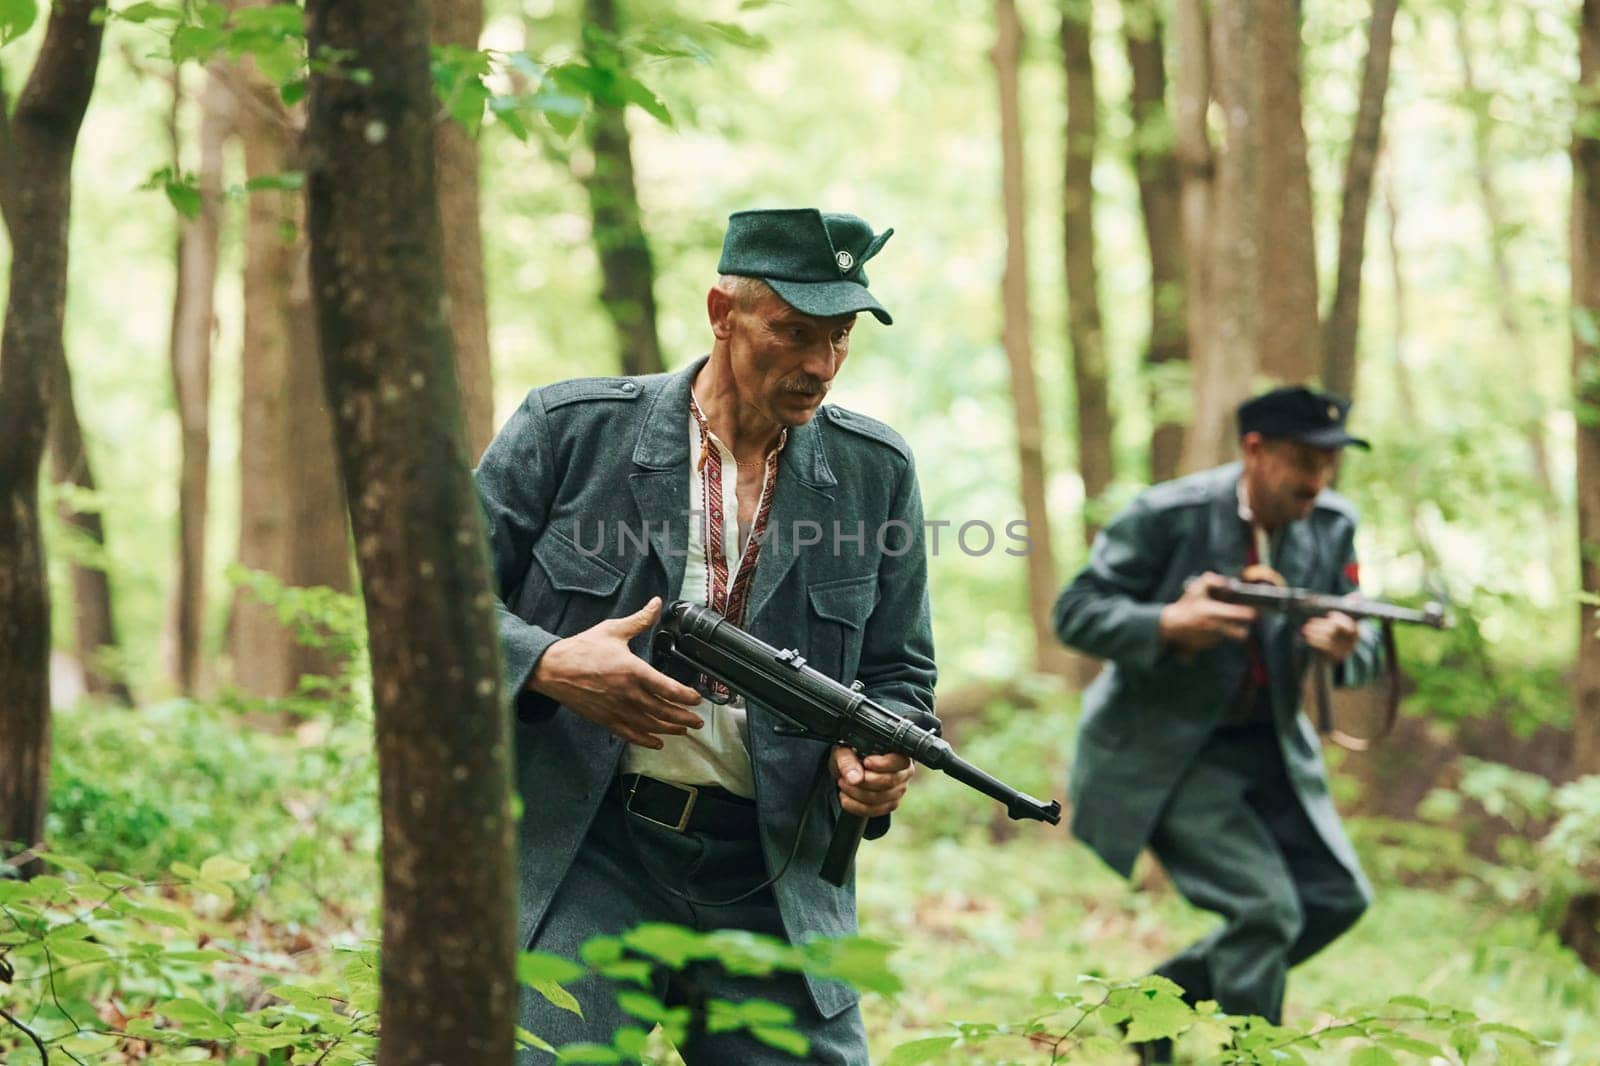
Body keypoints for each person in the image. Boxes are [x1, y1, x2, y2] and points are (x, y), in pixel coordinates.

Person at [476, 208, 938, 1064]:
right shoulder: (570, 430)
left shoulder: (876, 472)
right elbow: (430, 602)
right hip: (587, 849)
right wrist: (545, 662)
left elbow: (900, 671)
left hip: (774, 877)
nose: (819, 365)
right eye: (794, 332)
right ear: (722, 315)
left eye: (839, 338)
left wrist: (879, 761)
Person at [1054, 386, 1386, 1062]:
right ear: (1255, 451)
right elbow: (1077, 611)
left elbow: (1365, 626)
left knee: (1335, 898)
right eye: (1303, 461)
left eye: (1328, 464)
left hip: (1271, 750)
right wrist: (1167, 623)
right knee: (1265, 913)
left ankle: (1145, 1009)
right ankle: (1249, 1055)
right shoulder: (1166, 515)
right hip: (1166, 754)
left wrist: (1346, 642)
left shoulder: (1332, 525)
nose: (1316, 481)